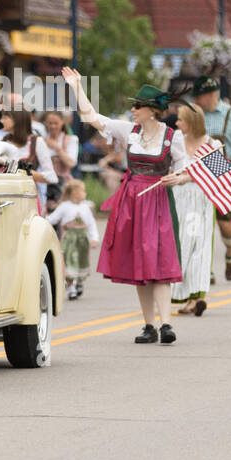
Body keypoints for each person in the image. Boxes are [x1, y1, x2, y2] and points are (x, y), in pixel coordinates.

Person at [63, 66, 188, 345]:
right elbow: (91, 117)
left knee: (161, 260)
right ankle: (149, 325)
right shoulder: (128, 131)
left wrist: (177, 179)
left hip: (158, 201)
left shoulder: (172, 136)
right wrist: (77, 87)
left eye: (137, 106)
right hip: (133, 201)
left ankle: (167, 322)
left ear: (151, 110)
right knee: (140, 263)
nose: (133, 110)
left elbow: (186, 170)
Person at [193, 76, 231, 281]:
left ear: (211, 95)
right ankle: (206, 270)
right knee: (202, 224)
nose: (197, 101)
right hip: (199, 174)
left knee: (224, 224)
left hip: (223, 173)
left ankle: (230, 251)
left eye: (200, 96)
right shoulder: (194, 114)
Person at [166, 101, 216, 316]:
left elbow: (217, 173)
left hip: (201, 197)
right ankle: (186, 295)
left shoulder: (211, 144)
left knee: (200, 247)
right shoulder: (176, 140)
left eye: (180, 119)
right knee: (181, 245)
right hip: (178, 198)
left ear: (192, 122)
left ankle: (198, 296)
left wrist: (187, 177)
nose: (177, 123)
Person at [45, 179, 99, 300]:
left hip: (82, 241)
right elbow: (53, 219)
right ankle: (71, 288)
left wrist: (94, 238)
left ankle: (79, 283)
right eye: (83, 191)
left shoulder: (85, 207)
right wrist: (44, 219)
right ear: (75, 192)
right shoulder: (64, 207)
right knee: (69, 263)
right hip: (69, 241)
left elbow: (91, 224)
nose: (85, 194)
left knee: (81, 262)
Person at [4, 109, 57, 208]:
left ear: (17, 120)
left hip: (29, 198)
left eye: (6, 117)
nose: (2, 120)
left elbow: (52, 177)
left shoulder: (36, 142)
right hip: (6, 198)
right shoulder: (2, 141)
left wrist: (26, 172)